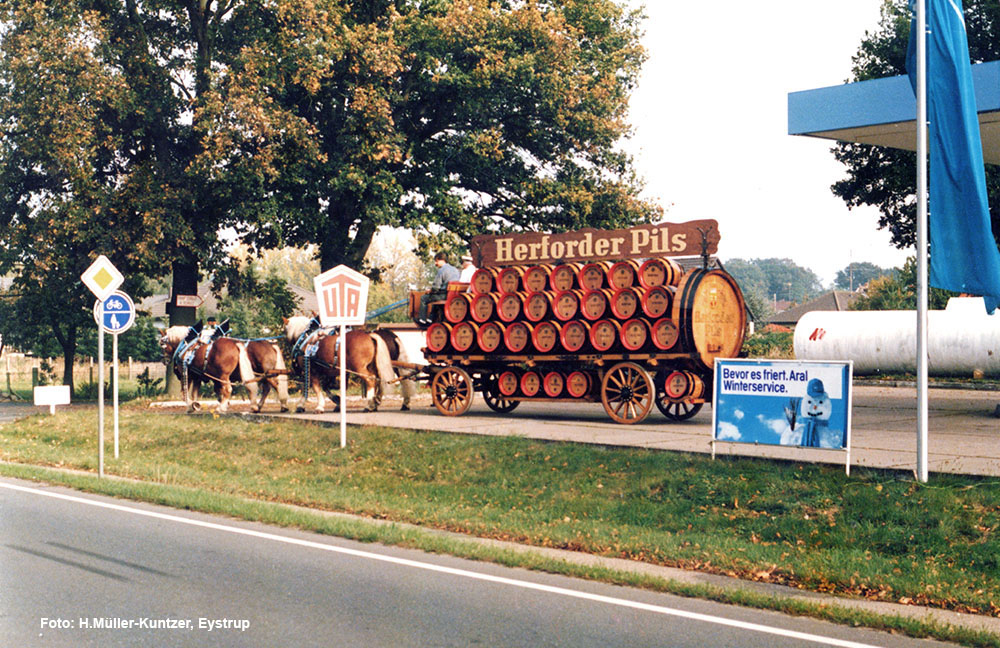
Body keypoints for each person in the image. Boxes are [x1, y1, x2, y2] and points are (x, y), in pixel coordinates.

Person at [417, 252, 460, 324]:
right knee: (435, 297)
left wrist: (430, 291)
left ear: (441, 260)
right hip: (454, 295)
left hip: (444, 296)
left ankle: (422, 319)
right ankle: (430, 318)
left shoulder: (442, 270)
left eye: (436, 261)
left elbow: (436, 288)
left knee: (424, 298)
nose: (435, 263)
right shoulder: (455, 270)